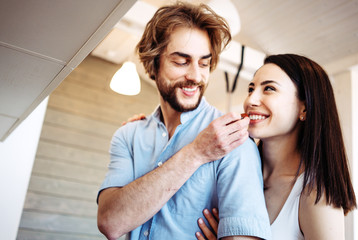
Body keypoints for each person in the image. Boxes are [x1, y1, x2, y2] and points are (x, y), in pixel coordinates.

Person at [96, 2, 271, 240]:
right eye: (181, 62)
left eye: (204, 63)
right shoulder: (129, 135)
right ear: (153, 63)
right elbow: (110, 222)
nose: (196, 76)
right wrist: (196, 153)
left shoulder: (234, 140)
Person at [196, 53, 357, 240]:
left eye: (269, 89)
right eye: (251, 89)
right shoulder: (234, 172)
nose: (250, 101)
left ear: (304, 108)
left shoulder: (315, 195)